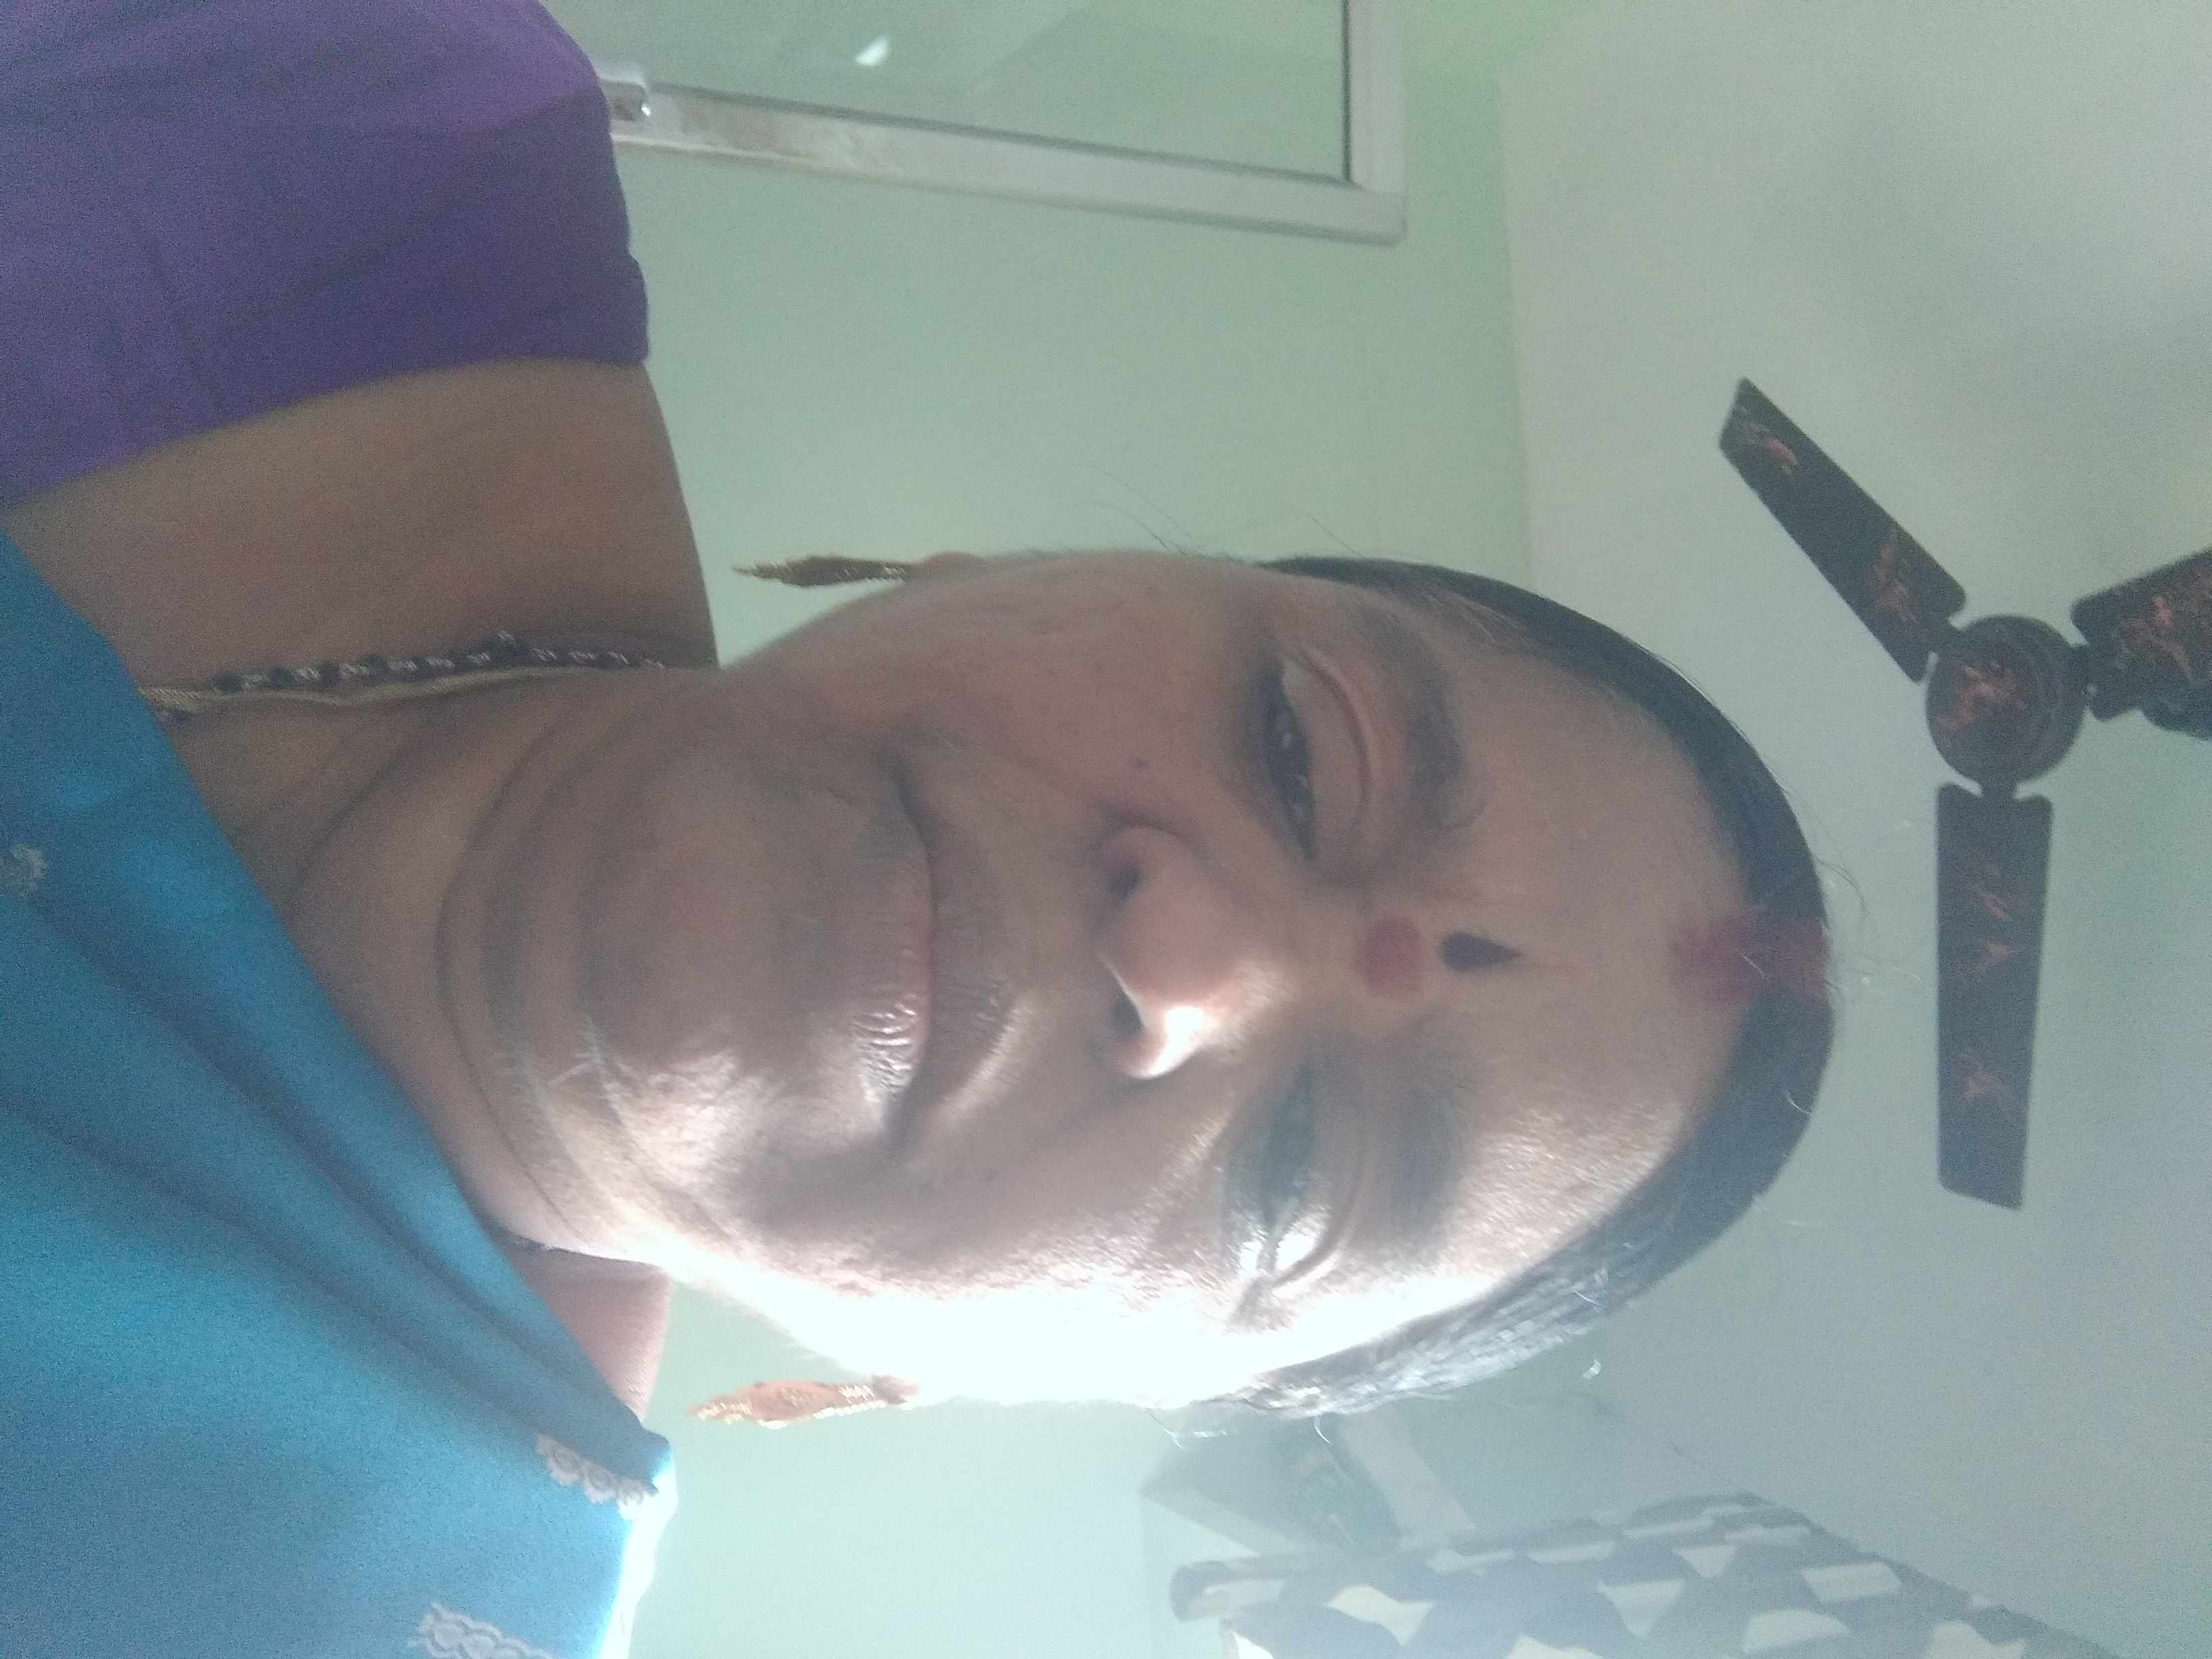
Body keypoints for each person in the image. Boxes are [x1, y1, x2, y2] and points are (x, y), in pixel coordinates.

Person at [0, 3, 1833, 1656]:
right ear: (1013, 566)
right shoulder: (310, 101)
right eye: (1295, 745)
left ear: (1009, 1380)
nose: (1190, 959)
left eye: (1290, 1176)